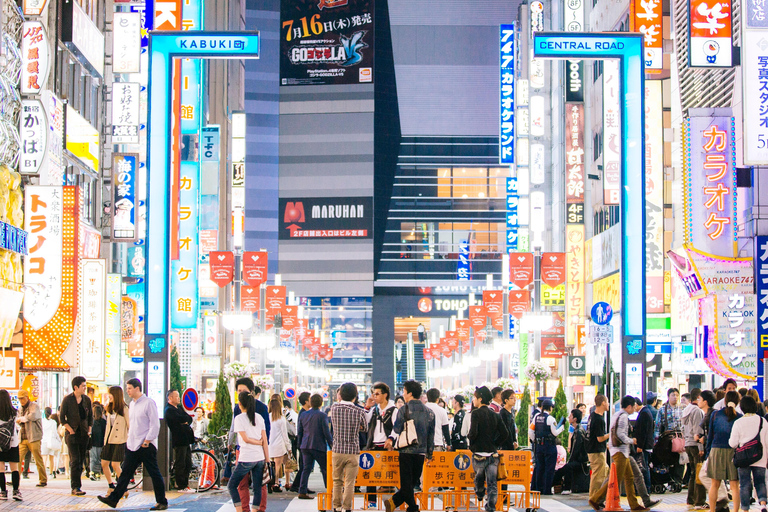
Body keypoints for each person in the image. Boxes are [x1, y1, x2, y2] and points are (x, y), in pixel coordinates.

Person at [97, 378, 168, 511]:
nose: (127, 391)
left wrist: (147, 441)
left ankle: (162, 501)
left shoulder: (148, 403)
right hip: (133, 444)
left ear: (137, 388)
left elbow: (155, 424)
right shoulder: (132, 404)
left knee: (154, 473)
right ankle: (113, 499)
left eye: (129, 388)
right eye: (127, 388)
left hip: (146, 445)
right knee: (125, 474)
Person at [384, 380, 434, 512]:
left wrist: (390, 439)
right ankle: (406, 506)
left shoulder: (404, 409)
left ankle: (409, 506)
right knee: (412, 483)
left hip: (406, 450)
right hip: (421, 452)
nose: (403, 394)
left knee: (407, 483)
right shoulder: (429, 412)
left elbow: (397, 428)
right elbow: (431, 435)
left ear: (410, 393)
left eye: (404, 392)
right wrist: (429, 453)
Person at [590, 396, 644, 512]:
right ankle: (596, 498)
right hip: (620, 451)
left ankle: (634, 505)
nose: (635, 408)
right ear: (629, 406)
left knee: (629, 477)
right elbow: (620, 435)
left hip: (620, 451)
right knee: (615, 480)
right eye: (634, 406)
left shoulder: (617, 415)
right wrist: (632, 441)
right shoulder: (623, 417)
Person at [230, 378, 271, 512]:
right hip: (253, 453)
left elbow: (249, 437)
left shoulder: (261, 408)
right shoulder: (239, 409)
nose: (240, 394)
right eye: (238, 391)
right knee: (254, 485)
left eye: (243, 391)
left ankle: (248, 510)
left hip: (246, 454)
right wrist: (266, 456)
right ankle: (250, 509)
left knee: (239, 485)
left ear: (251, 392)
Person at [466, 386, 508, 512]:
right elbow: (505, 433)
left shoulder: (476, 413)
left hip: (479, 453)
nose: (473, 400)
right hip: (493, 455)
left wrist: (471, 443)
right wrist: (495, 444)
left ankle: (479, 493)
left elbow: (473, 432)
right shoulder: (495, 415)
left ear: (480, 399)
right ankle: (490, 507)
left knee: (479, 478)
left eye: (474, 397)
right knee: (492, 483)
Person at [329, 382, 368, 512]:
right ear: (355, 396)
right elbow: (365, 428)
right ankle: (347, 508)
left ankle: (336, 507)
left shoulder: (334, 408)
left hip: (337, 449)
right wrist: (357, 427)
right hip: (353, 450)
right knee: (350, 483)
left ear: (340, 395)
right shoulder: (359, 411)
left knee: (337, 481)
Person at [728, 395, 768, 512]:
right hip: (760, 456)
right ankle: (763, 504)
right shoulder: (763, 421)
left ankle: (745, 509)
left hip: (743, 458)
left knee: (745, 484)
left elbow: (732, 443)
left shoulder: (738, 422)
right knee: (760, 482)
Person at [705, 391, 742, 512]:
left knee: (714, 484)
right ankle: (735, 511)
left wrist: (707, 454)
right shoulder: (740, 417)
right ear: (737, 402)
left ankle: (712, 510)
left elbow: (710, 436)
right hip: (733, 452)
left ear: (725, 401)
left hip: (716, 451)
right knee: (734, 486)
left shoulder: (715, 415)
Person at [364, 382, 397, 508]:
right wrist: (367, 406)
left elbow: (397, 427)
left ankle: (396, 502)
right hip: (373, 446)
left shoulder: (393, 410)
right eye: (373, 394)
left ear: (385, 395)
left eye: (377, 394)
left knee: (392, 475)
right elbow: (365, 421)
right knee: (370, 475)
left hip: (387, 447)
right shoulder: (374, 410)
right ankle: (371, 502)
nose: (375, 396)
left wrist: (391, 439)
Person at [59, 376, 93, 496]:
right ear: (76, 387)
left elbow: (90, 418)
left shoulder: (87, 400)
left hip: (84, 434)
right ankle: (75, 487)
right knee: (75, 460)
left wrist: (89, 431)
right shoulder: (67, 400)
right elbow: (62, 418)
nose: (85, 388)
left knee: (81, 460)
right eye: (83, 386)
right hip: (72, 435)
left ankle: (77, 485)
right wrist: (70, 430)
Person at [297, 394, 332, 499]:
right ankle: (329, 489)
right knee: (325, 468)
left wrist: (299, 444)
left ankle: (302, 491)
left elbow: (300, 431)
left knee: (306, 469)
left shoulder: (304, 415)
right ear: (321, 403)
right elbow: (326, 432)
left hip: (305, 445)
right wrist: (332, 445)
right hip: (318, 445)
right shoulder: (322, 416)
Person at [532, 399, 564, 495]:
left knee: (539, 467)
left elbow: (530, 431)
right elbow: (554, 432)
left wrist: (536, 440)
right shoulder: (550, 419)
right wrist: (561, 428)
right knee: (549, 468)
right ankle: (547, 490)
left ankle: (539, 488)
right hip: (549, 446)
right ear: (550, 408)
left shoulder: (536, 417)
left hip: (539, 446)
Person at [165, 390, 195, 492]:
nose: (179, 398)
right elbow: (178, 420)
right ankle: (180, 485)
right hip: (179, 440)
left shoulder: (179, 408)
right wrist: (184, 420)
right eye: (177, 396)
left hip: (186, 440)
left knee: (188, 463)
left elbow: (188, 418)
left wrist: (185, 420)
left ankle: (185, 484)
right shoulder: (169, 410)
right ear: (170, 397)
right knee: (180, 463)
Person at [15, 389, 46, 488]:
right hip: (23, 438)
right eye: (19, 399)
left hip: (34, 437)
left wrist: (22, 419)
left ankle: (43, 479)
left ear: (27, 397)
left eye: (22, 398)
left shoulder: (34, 406)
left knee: (38, 459)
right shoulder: (20, 409)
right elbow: (18, 419)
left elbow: (32, 416)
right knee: (17, 459)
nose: (21, 401)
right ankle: (15, 479)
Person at [554, 409, 588, 495]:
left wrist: (570, 460)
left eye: (571, 416)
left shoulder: (579, 431)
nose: (569, 417)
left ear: (575, 419)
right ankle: (559, 486)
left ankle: (566, 488)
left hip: (580, 461)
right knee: (564, 468)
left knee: (567, 467)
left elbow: (576, 449)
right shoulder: (577, 430)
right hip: (579, 459)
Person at [682, 388, 706, 507]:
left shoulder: (686, 409)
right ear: (698, 397)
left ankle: (690, 498)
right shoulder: (697, 411)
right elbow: (698, 430)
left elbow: (682, 428)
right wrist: (701, 447)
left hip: (688, 444)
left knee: (692, 472)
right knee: (699, 472)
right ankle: (699, 501)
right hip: (695, 445)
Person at [101, 386, 128, 490]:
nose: (109, 396)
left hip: (120, 440)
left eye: (110, 394)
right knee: (104, 463)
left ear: (116, 395)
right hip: (109, 439)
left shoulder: (124, 409)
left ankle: (123, 487)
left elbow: (130, 425)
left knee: (115, 465)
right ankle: (111, 485)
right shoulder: (109, 409)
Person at [586, 394, 610, 504]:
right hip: (597, 451)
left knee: (603, 472)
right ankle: (594, 498)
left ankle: (598, 497)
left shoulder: (592, 416)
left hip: (593, 449)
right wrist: (610, 434)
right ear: (603, 403)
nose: (608, 404)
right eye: (607, 402)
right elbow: (600, 438)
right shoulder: (599, 419)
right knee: (598, 475)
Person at [289, 392, 312, 493]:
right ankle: (298, 486)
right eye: (310, 398)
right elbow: (302, 429)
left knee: (304, 466)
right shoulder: (303, 413)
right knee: (304, 466)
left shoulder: (304, 412)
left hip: (303, 442)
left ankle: (297, 485)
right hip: (303, 442)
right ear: (306, 401)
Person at [268, 394, 292, 493]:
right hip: (280, 444)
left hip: (270, 444)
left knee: (273, 464)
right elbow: (284, 435)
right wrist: (289, 447)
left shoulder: (267, 417)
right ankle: (277, 483)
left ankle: (276, 482)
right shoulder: (281, 419)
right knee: (282, 464)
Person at [0, 389, 21, 501]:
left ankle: (3, 492)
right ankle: (16, 491)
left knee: (1, 468)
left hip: (0, 444)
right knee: (14, 468)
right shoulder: (14, 412)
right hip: (13, 443)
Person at [634, 392, 656, 492]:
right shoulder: (646, 412)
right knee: (644, 465)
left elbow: (643, 432)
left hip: (644, 445)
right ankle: (646, 487)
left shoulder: (644, 413)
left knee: (644, 466)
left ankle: (647, 488)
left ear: (636, 404)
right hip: (647, 444)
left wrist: (640, 446)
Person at [41, 407, 60, 481]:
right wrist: (59, 440)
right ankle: (51, 473)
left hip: (44, 441)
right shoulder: (53, 422)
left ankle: (43, 473)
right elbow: (55, 433)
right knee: (51, 458)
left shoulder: (42, 422)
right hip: (51, 441)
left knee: (43, 458)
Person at [89, 404, 106, 481]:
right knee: (99, 458)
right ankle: (98, 473)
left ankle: (92, 472)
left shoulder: (91, 421)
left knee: (92, 458)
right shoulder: (103, 422)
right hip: (101, 443)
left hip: (92, 443)